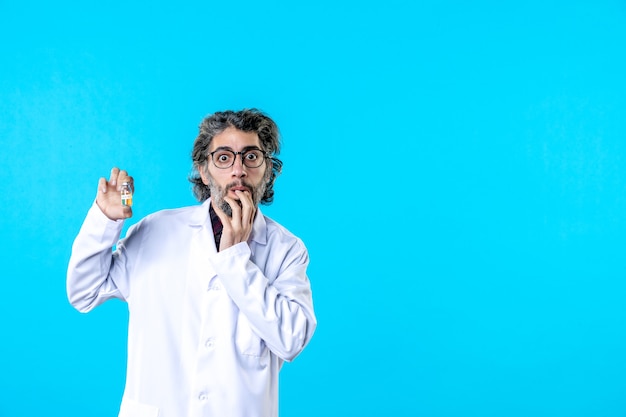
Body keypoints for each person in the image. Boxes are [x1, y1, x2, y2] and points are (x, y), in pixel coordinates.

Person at [67, 109, 317, 417]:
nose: (238, 170)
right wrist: (105, 219)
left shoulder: (286, 249)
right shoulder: (154, 230)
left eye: (251, 157)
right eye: (224, 158)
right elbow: (84, 292)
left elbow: (291, 339)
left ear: (268, 170)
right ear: (203, 169)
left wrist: (235, 259)